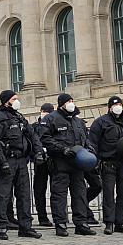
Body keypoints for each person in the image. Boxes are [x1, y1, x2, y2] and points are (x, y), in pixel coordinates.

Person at [0, 90, 42, 240]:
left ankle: (26, 227)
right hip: (6, 160)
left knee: (24, 195)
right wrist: (2, 162)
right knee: (3, 195)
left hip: (21, 160)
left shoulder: (19, 117)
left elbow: (32, 135)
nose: (17, 101)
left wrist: (38, 152)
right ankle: (1, 226)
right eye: (14, 98)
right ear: (6, 101)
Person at [40, 93, 95, 237]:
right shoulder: (51, 119)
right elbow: (45, 139)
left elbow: (85, 138)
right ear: (61, 104)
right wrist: (62, 149)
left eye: (72, 100)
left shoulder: (78, 121)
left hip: (78, 164)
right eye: (68, 101)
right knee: (59, 195)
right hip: (60, 163)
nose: (71, 103)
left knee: (80, 194)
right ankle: (61, 223)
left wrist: (89, 149)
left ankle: (81, 223)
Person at [88, 96, 123, 235]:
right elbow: (93, 143)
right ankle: (109, 223)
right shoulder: (101, 122)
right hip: (108, 162)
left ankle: (121, 222)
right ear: (109, 107)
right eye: (115, 105)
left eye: (120, 104)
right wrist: (95, 162)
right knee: (108, 194)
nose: (118, 107)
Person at [32, 103, 54, 227]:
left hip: (54, 159)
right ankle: (42, 216)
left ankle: (58, 214)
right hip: (40, 161)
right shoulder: (34, 126)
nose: (45, 114)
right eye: (44, 111)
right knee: (39, 189)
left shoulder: (54, 124)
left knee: (56, 189)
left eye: (48, 112)